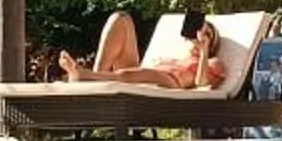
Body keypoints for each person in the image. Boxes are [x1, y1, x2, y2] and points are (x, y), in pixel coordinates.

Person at [59, 9, 224, 88]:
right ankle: (94, 86)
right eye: (200, 31)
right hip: (142, 77)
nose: (202, 36)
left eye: (208, 34)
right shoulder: (178, 58)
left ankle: (84, 76)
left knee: (131, 74)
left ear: (212, 44)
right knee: (121, 19)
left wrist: (204, 51)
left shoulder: (213, 62)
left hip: (170, 82)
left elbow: (201, 83)